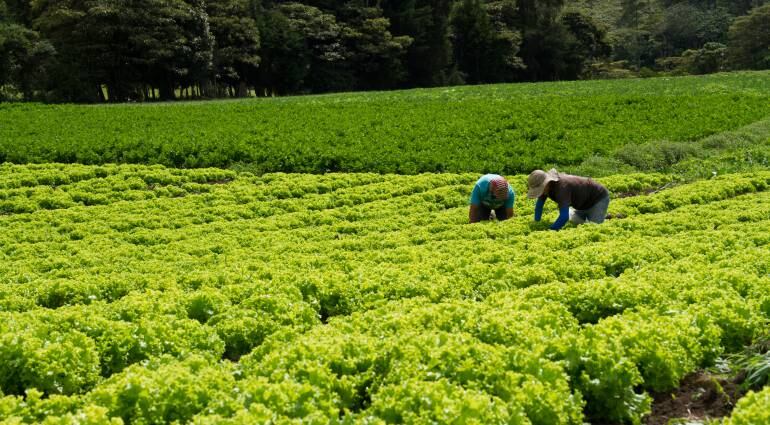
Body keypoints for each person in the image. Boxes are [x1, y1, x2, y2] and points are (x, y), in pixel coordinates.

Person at [527, 169, 609, 230]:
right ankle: (598, 216)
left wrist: (550, 231)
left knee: (593, 228)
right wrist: (537, 222)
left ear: (546, 183)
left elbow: (563, 217)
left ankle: (601, 216)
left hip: (598, 198)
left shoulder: (562, 188)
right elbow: (539, 206)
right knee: (576, 223)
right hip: (581, 204)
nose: (539, 192)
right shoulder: (545, 189)